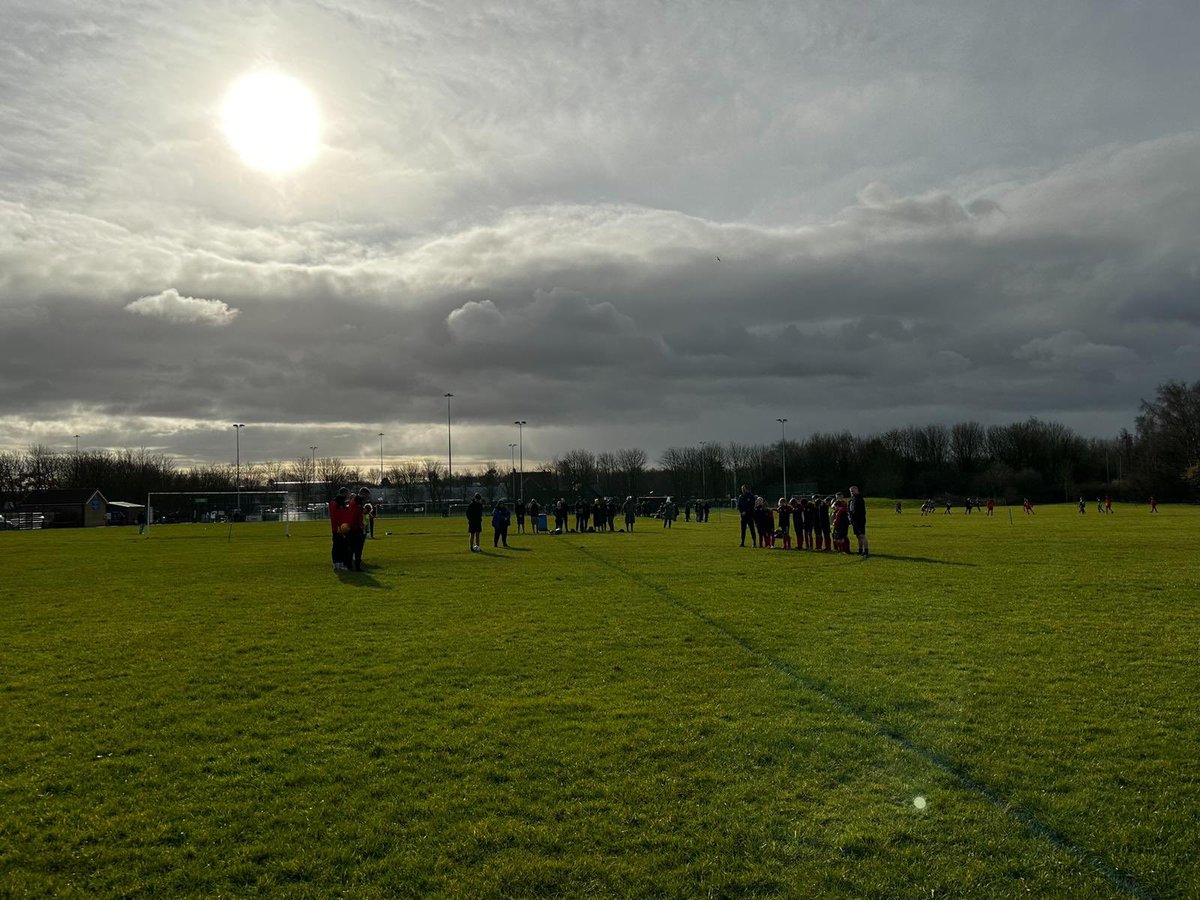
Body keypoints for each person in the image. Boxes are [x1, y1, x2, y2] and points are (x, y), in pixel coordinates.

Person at [328, 487, 354, 571]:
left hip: (340, 527)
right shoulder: (336, 503)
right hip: (339, 528)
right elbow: (336, 517)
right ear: (345, 493)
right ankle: (338, 563)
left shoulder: (337, 503)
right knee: (339, 546)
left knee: (339, 546)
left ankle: (338, 563)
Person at [346, 488, 371, 571]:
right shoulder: (358, 502)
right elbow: (356, 516)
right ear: (363, 494)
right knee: (358, 548)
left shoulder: (353, 501)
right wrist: (361, 526)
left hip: (352, 528)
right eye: (366, 496)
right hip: (356, 528)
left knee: (351, 548)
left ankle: (350, 565)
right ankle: (357, 566)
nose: (367, 498)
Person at [849, 485, 869, 558]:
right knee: (858, 535)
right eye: (851, 491)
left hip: (860, 520)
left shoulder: (859, 499)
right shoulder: (852, 499)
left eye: (853, 491)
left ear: (857, 490)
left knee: (862, 535)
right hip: (854, 521)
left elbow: (859, 511)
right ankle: (860, 550)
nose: (852, 492)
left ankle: (866, 551)